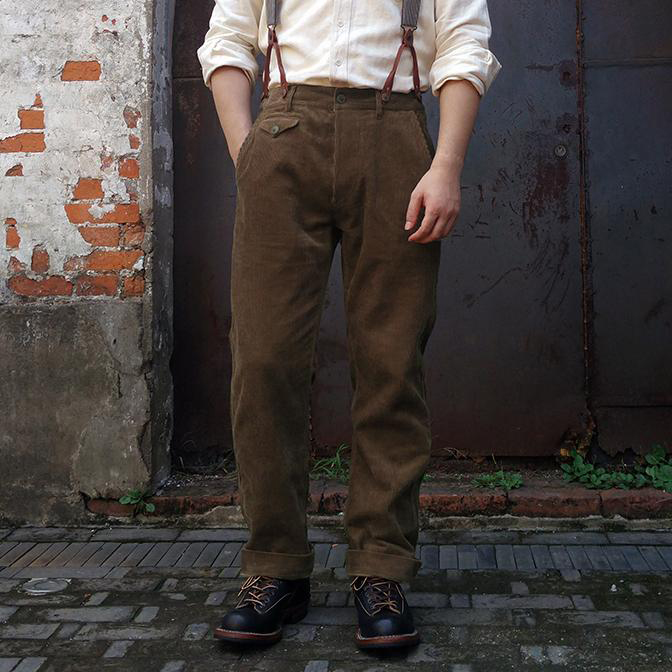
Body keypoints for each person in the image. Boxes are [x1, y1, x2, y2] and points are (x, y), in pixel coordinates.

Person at [197, 0, 501, 650]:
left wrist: (446, 166)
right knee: (264, 362)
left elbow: (463, 46)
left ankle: (380, 568)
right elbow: (227, 41)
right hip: (283, 135)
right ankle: (275, 566)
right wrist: (247, 153)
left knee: (391, 363)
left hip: (394, 135)